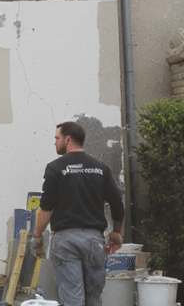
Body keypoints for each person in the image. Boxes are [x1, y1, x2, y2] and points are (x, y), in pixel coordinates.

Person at [32, 121, 125, 306]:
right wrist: (116, 233)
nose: (55, 143)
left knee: (72, 297)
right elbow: (117, 204)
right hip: (94, 241)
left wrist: (36, 236)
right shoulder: (101, 168)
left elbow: (47, 208)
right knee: (93, 296)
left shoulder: (55, 168)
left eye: (57, 139)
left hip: (66, 241)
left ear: (67, 139)